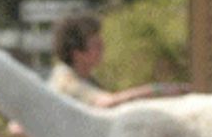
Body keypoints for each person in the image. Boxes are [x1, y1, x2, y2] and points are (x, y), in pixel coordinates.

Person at [48, 12, 192, 108]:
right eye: (96, 45)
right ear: (77, 53)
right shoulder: (65, 80)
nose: (103, 49)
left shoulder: (85, 77)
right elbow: (107, 103)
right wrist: (158, 90)